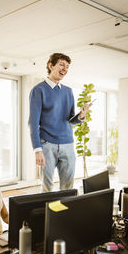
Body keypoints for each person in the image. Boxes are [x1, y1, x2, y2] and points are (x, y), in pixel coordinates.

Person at [29, 53, 91, 192]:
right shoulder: (38, 90)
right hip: (47, 145)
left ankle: (63, 214)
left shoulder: (68, 91)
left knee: (68, 187)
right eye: (61, 64)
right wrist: (37, 149)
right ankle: (48, 214)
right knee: (47, 187)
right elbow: (33, 122)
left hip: (68, 144)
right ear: (51, 66)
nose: (65, 69)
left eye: (67, 67)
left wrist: (81, 115)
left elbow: (70, 120)